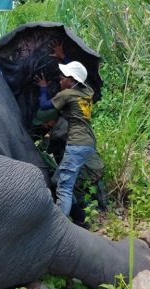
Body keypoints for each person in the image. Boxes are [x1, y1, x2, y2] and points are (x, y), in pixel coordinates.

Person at [34, 61, 97, 216]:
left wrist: (43, 87)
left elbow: (43, 105)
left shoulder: (67, 94)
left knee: (64, 188)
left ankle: (61, 229)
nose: (60, 81)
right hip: (88, 143)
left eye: (63, 78)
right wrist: (63, 57)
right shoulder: (88, 91)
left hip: (77, 144)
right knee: (57, 180)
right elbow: (81, 77)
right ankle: (80, 218)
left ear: (72, 80)